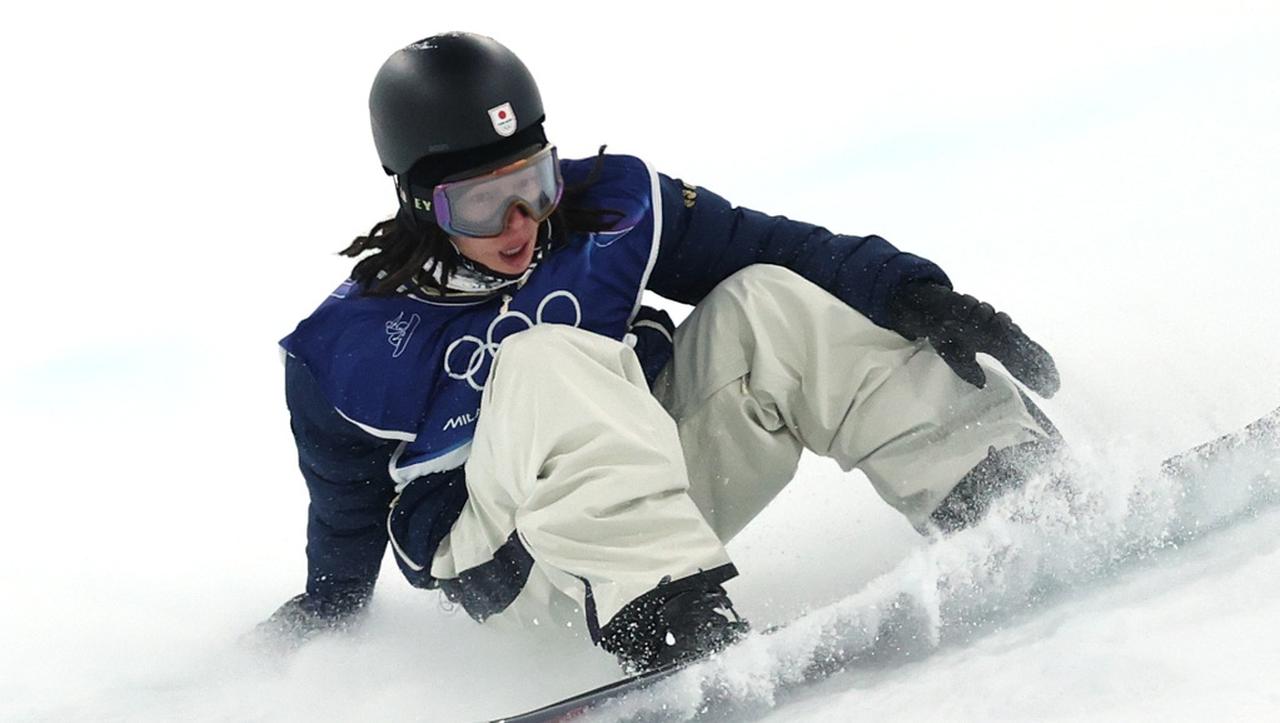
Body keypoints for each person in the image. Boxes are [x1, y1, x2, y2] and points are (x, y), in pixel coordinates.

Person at [260, 31, 1063, 673]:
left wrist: (913, 293)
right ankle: (670, 621)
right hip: (522, 571)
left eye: (532, 183)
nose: (518, 222)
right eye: (478, 202)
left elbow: (773, 245)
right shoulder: (347, 348)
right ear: (417, 200)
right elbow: (346, 510)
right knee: (542, 359)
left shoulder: (613, 206)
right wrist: (323, 619)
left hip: (647, 482)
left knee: (765, 297)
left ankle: (1001, 483)